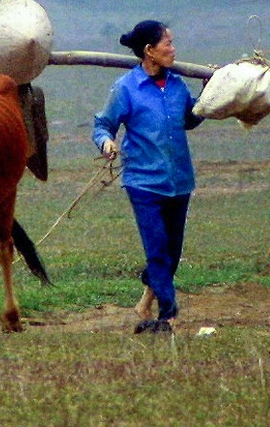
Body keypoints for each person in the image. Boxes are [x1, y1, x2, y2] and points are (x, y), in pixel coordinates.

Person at [92, 19, 203, 335]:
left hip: (179, 181)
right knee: (157, 249)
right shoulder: (126, 88)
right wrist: (106, 142)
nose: (173, 49)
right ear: (149, 51)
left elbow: (190, 119)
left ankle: (145, 302)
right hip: (143, 182)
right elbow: (103, 125)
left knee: (172, 252)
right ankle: (168, 315)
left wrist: (213, 95)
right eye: (168, 43)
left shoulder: (178, 85)